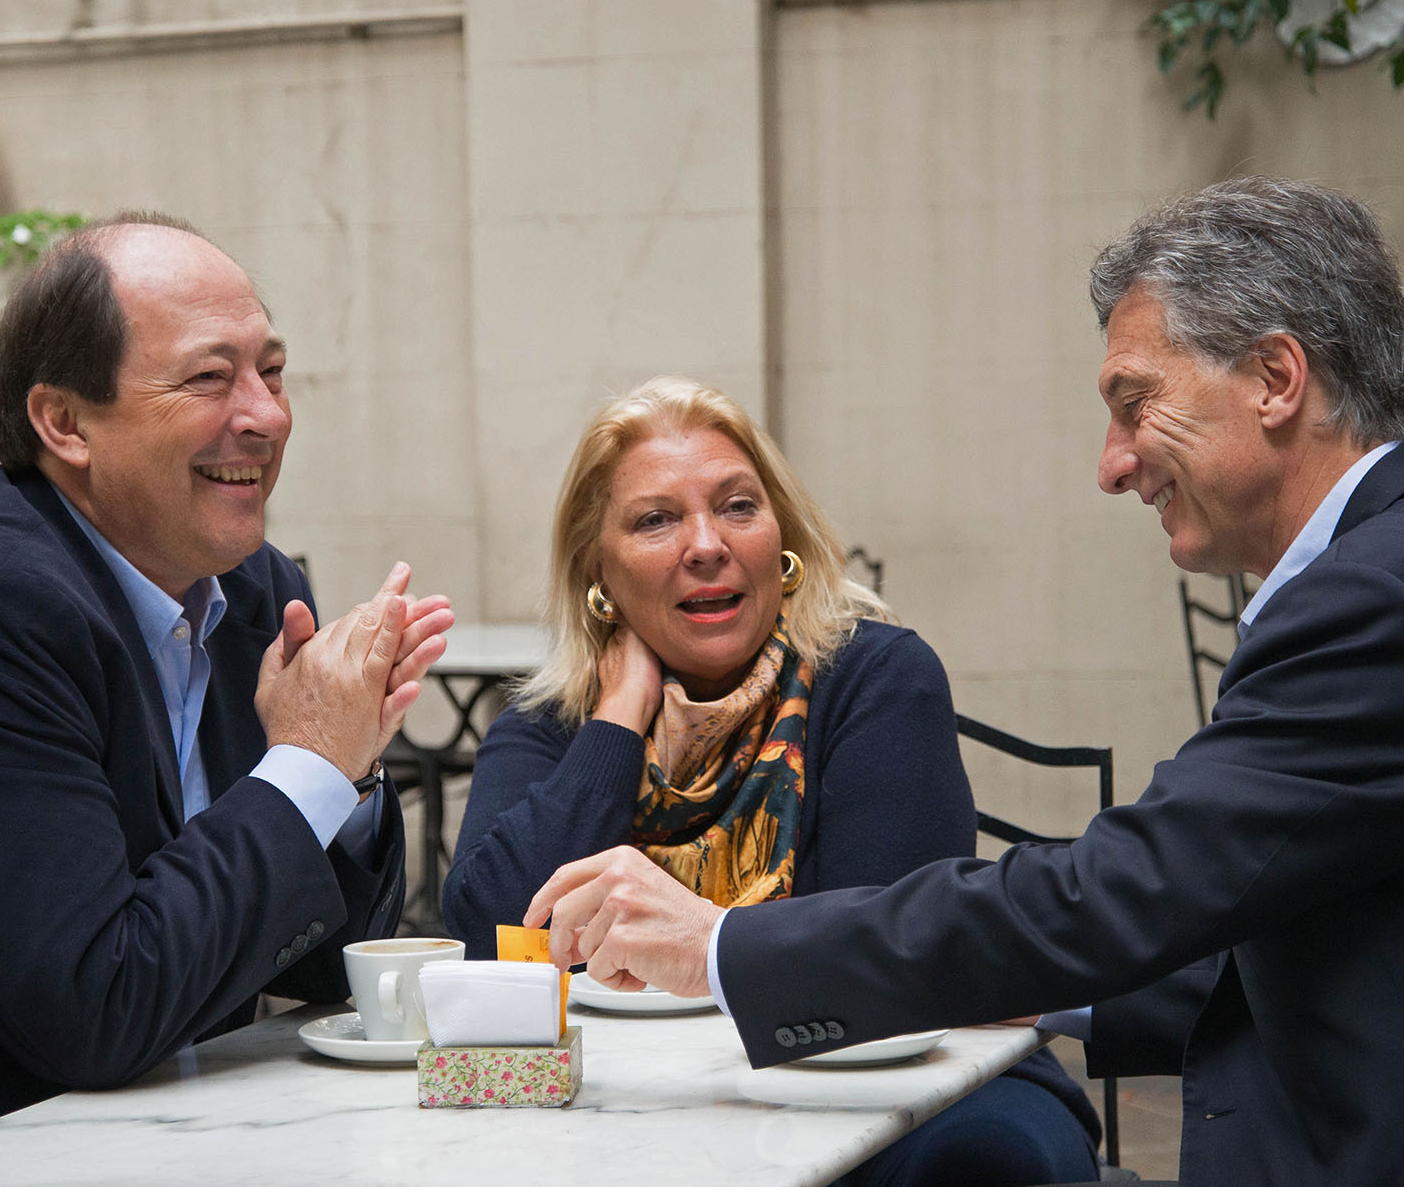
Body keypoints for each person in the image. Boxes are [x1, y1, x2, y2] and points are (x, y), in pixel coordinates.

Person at [525, 179, 1404, 1186]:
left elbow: (1129, 888)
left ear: (1274, 379)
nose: (1111, 464)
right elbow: (1303, 929)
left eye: (1133, 401)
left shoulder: (1386, 597)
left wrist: (719, 946)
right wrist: (1046, 991)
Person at [0, 214, 453, 1187]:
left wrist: (342, 775)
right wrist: (311, 763)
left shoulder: (246, 586)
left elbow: (314, 967)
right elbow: (100, 1008)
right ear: (64, 423)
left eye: (270, 372)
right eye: (209, 377)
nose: (265, 415)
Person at [444, 376, 1100, 1185]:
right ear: (599, 575)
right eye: (656, 520)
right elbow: (491, 939)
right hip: (628, 1096)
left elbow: (887, 960)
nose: (706, 544)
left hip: (891, 1087)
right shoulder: (556, 725)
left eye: (737, 506)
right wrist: (619, 718)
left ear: (780, 538)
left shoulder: (873, 677)